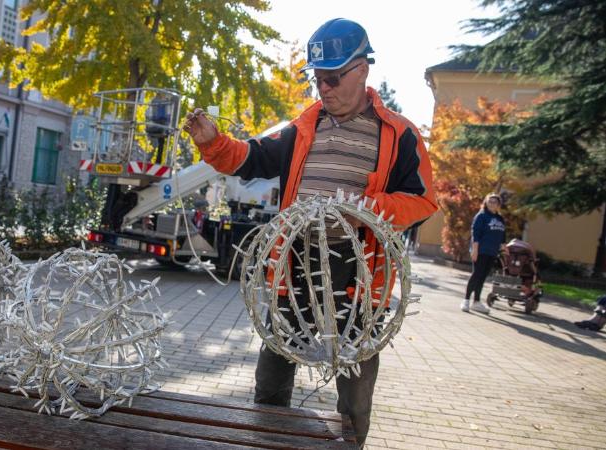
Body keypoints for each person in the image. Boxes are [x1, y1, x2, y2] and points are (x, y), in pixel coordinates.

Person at [183, 18, 437, 447]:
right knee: (272, 377)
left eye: (334, 77)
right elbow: (251, 159)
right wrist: (213, 142)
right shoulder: (303, 128)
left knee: (355, 393)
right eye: (319, 79)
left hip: (358, 276)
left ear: (362, 70)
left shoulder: (399, 134)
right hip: (296, 264)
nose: (325, 88)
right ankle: (266, 440)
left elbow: (423, 201)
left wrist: (370, 211)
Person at [463, 193, 506, 313]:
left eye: (495, 202)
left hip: (492, 252)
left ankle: (476, 302)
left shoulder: (500, 218)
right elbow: (475, 234)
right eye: (490, 201)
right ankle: (466, 300)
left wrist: (504, 247)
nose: (492, 204)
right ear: (486, 203)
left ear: (498, 205)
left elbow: (502, 236)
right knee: (476, 274)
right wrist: (475, 250)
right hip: (480, 250)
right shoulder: (481, 216)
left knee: (482, 277)